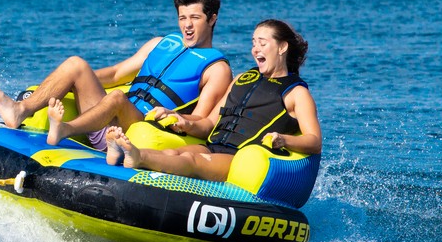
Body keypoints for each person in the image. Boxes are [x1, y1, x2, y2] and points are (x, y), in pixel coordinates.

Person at [0, 0, 233, 146]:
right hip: (106, 118)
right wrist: (61, 83)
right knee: (75, 64)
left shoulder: (217, 69)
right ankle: (20, 110)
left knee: (116, 98)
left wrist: (174, 117)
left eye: (195, 18)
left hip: (138, 127)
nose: (187, 25)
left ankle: (64, 129)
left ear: (212, 19)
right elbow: (116, 73)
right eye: (182, 18)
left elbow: (201, 118)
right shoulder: (161, 43)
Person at [105, 19, 320, 181]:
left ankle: (136, 156)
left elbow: (314, 140)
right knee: (173, 152)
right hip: (213, 146)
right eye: (254, 43)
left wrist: (284, 140)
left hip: (237, 159)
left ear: (282, 47)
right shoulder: (241, 80)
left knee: (191, 161)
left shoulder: (296, 93)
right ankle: (123, 154)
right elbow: (209, 123)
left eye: (262, 43)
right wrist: (183, 121)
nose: (255, 49)